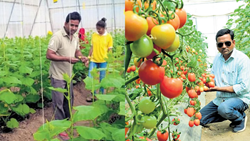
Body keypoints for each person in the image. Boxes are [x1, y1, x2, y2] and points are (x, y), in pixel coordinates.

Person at [46, 12, 88, 140]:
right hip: (58, 75)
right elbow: (49, 54)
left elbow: (77, 51)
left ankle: (67, 122)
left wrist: (82, 57)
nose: (74, 28)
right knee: (58, 102)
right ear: (65, 23)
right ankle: (60, 128)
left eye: (76, 26)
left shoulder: (75, 37)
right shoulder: (57, 37)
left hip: (68, 75)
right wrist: (67, 59)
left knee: (68, 100)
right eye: (72, 25)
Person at [200, 29, 250, 133]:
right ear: (217, 45)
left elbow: (243, 87)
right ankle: (227, 113)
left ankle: (239, 118)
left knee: (224, 109)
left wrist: (218, 88)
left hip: (240, 98)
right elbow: (212, 78)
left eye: (227, 43)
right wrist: (203, 82)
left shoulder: (242, 60)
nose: (224, 46)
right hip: (221, 100)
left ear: (233, 42)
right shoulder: (217, 59)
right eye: (220, 44)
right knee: (199, 118)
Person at [86, 17, 113, 102]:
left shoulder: (109, 37)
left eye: (100, 29)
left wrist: (110, 62)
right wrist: (88, 57)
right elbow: (92, 47)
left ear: (104, 28)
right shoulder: (94, 35)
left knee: (102, 79)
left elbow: (110, 50)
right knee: (90, 78)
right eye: (97, 29)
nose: (98, 31)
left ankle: (101, 95)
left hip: (103, 61)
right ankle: (93, 94)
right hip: (94, 60)